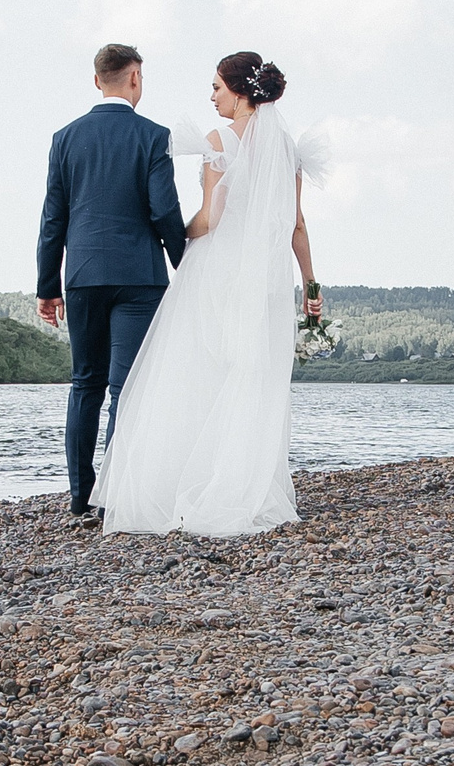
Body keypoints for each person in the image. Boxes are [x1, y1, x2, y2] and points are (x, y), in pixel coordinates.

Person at [92, 51, 328, 537]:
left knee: (196, 374)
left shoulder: (219, 140)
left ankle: (184, 483)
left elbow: (210, 218)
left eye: (217, 87)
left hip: (217, 273)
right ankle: (245, 486)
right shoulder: (286, 147)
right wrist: (311, 287)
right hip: (265, 279)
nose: (212, 96)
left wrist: (172, 236)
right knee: (251, 378)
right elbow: (297, 225)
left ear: (241, 93)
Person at [34, 44, 187, 520]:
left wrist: (47, 286)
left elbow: (52, 219)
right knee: (126, 387)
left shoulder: (65, 138)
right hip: (140, 277)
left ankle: (81, 496)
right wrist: (187, 265)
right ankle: (114, 497)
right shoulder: (153, 137)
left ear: (96, 80)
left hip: (82, 275)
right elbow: (164, 210)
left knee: (85, 384)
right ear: (135, 78)